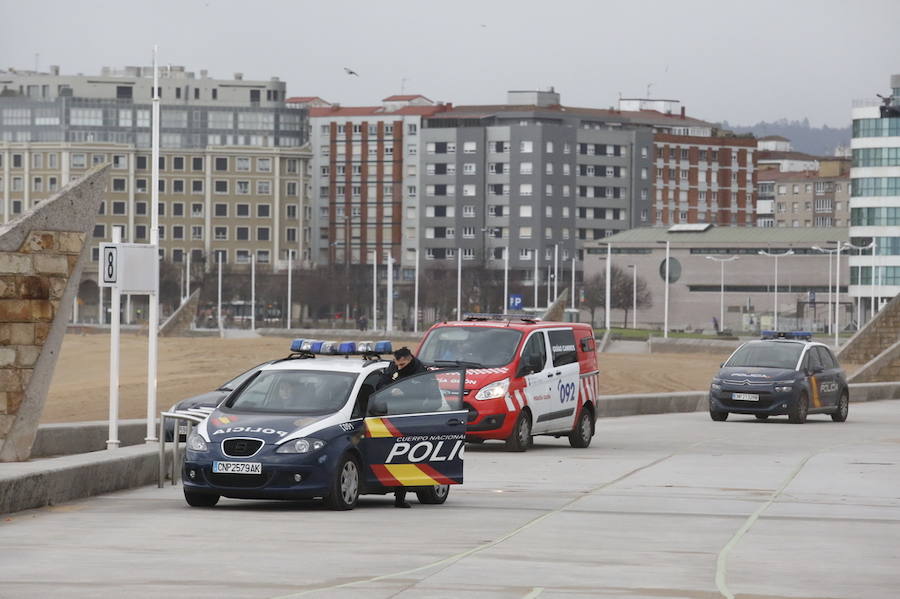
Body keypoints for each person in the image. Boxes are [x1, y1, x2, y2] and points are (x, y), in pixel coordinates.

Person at [376, 347, 428, 508]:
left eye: (402, 364)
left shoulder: (421, 372)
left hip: (411, 418)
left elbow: (426, 394)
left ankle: (400, 497)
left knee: (405, 458)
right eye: (397, 364)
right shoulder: (393, 367)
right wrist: (391, 391)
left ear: (410, 359)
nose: (399, 367)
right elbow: (380, 385)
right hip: (390, 416)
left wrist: (403, 393)